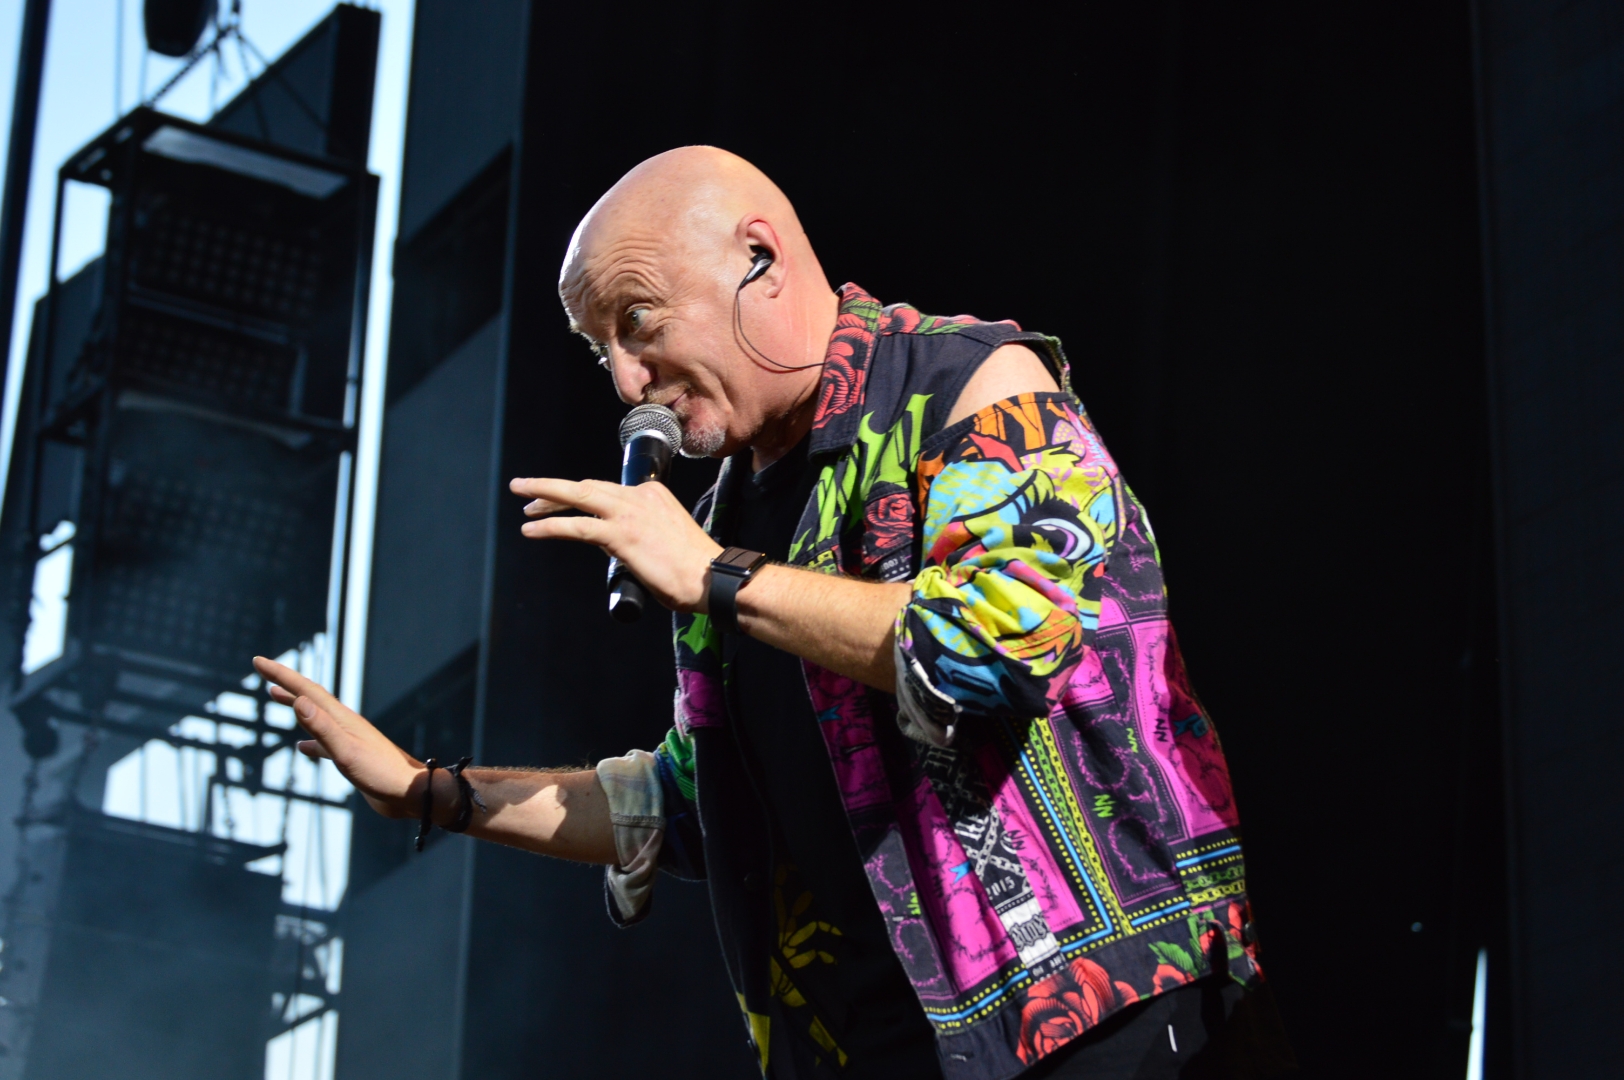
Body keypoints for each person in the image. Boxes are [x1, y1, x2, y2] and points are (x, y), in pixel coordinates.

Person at [254, 147, 1293, 1079]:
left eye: (637, 321)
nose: (625, 378)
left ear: (757, 255)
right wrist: (430, 792)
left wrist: (717, 577)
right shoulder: (726, 516)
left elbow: (996, 647)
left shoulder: (970, 384)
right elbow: (690, 797)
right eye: (597, 349)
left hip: (1105, 1024)